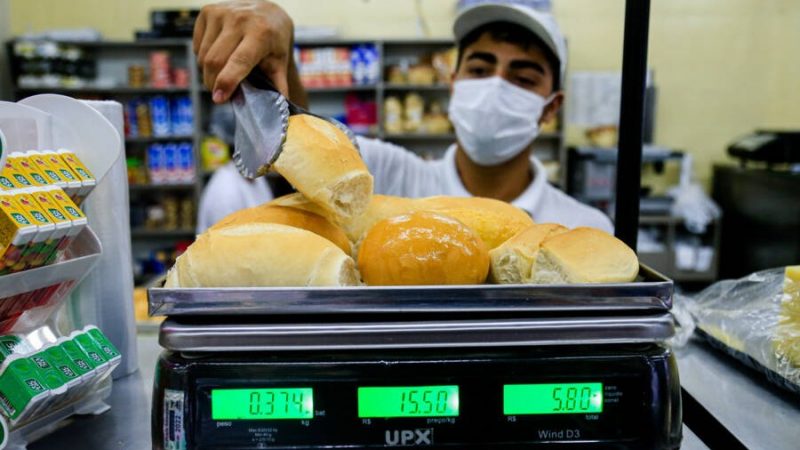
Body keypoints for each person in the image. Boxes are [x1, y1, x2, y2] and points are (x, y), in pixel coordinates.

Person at [194, 0, 613, 232]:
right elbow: (308, 156)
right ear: (454, 83)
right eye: (481, 70)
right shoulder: (393, 177)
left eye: (522, 78)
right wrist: (276, 60)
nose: (495, 88)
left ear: (551, 107)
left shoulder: (583, 229)